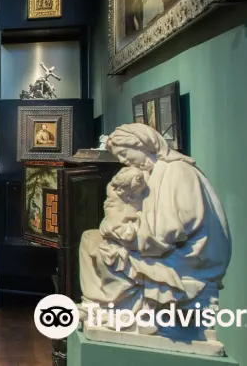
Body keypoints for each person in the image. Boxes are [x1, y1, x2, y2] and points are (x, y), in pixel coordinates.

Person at [79, 124, 231, 338]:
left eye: (124, 154)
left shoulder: (178, 172)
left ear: (142, 145)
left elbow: (171, 230)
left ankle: (118, 311)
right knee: (90, 238)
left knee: (105, 249)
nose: (123, 161)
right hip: (164, 244)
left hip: (186, 257)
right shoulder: (156, 173)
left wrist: (127, 234)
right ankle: (96, 304)